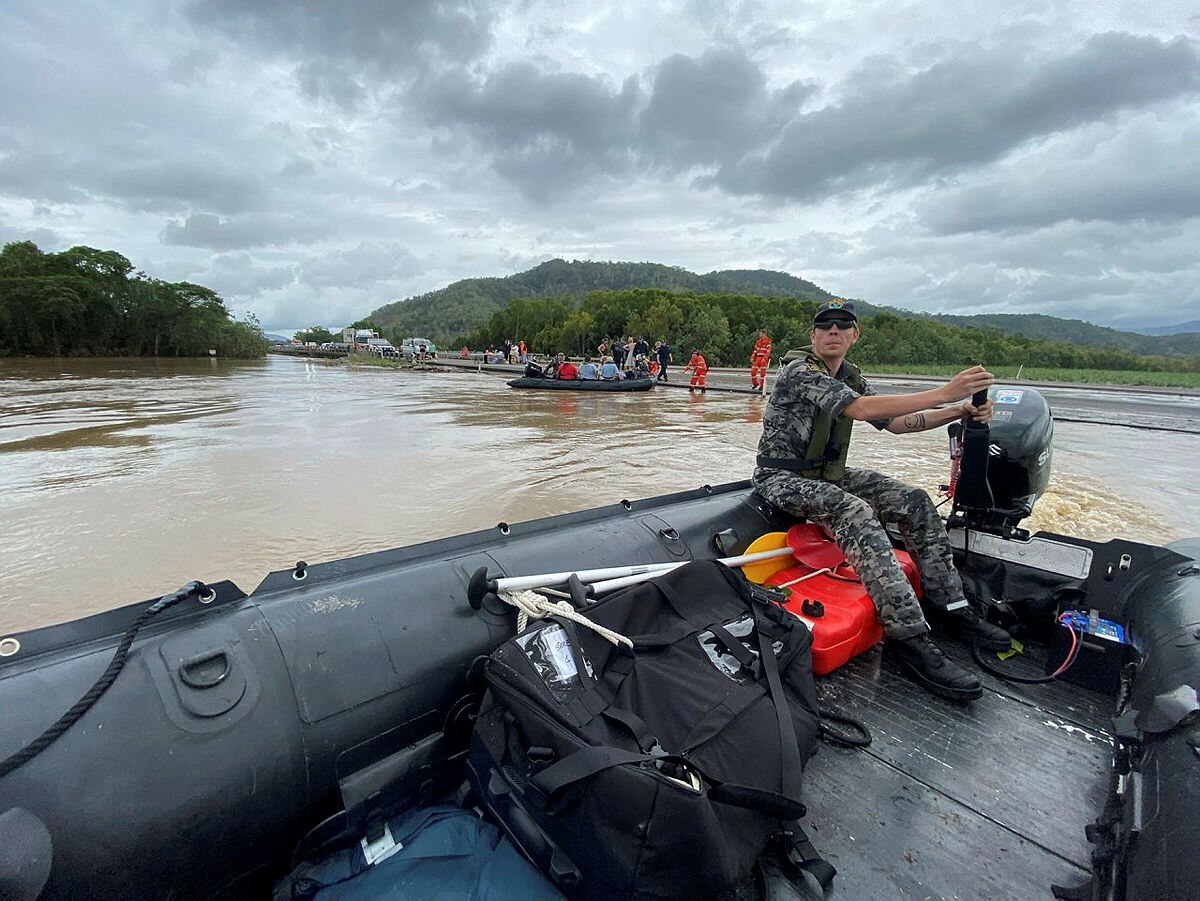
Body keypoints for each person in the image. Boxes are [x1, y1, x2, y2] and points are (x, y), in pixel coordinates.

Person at [752, 300, 1011, 702]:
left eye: (843, 325)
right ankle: (908, 635)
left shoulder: (851, 376)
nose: (833, 331)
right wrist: (946, 391)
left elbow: (895, 423)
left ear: (855, 335)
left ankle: (951, 605)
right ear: (813, 336)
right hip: (781, 477)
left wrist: (957, 409)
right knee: (853, 509)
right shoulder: (799, 370)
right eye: (825, 326)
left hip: (826, 475)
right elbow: (861, 409)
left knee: (914, 500)